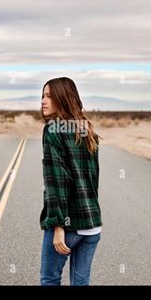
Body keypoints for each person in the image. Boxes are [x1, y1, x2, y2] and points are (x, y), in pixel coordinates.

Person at [39, 76, 103, 286]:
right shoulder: (86, 129)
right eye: (43, 95)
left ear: (62, 98)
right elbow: (92, 180)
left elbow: (56, 183)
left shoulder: (52, 130)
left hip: (68, 226)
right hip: (92, 225)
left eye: (49, 96)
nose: (43, 101)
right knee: (80, 283)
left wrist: (58, 226)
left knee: (49, 280)